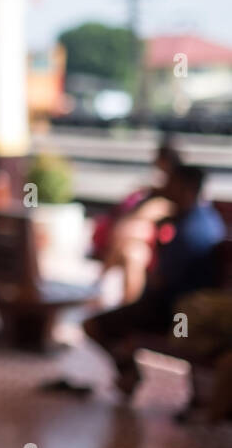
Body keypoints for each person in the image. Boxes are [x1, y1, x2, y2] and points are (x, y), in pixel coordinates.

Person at [82, 164, 226, 398]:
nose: (164, 188)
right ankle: (128, 374)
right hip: (182, 308)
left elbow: (162, 284)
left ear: (185, 188)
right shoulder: (201, 219)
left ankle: (128, 374)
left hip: (178, 313)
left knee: (92, 326)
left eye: (170, 183)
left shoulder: (190, 230)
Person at [90, 136, 183, 300]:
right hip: (136, 242)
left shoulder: (172, 195)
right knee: (129, 249)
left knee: (132, 251)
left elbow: (156, 217)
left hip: (157, 246)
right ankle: (113, 299)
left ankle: (115, 297)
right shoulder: (154, 191)